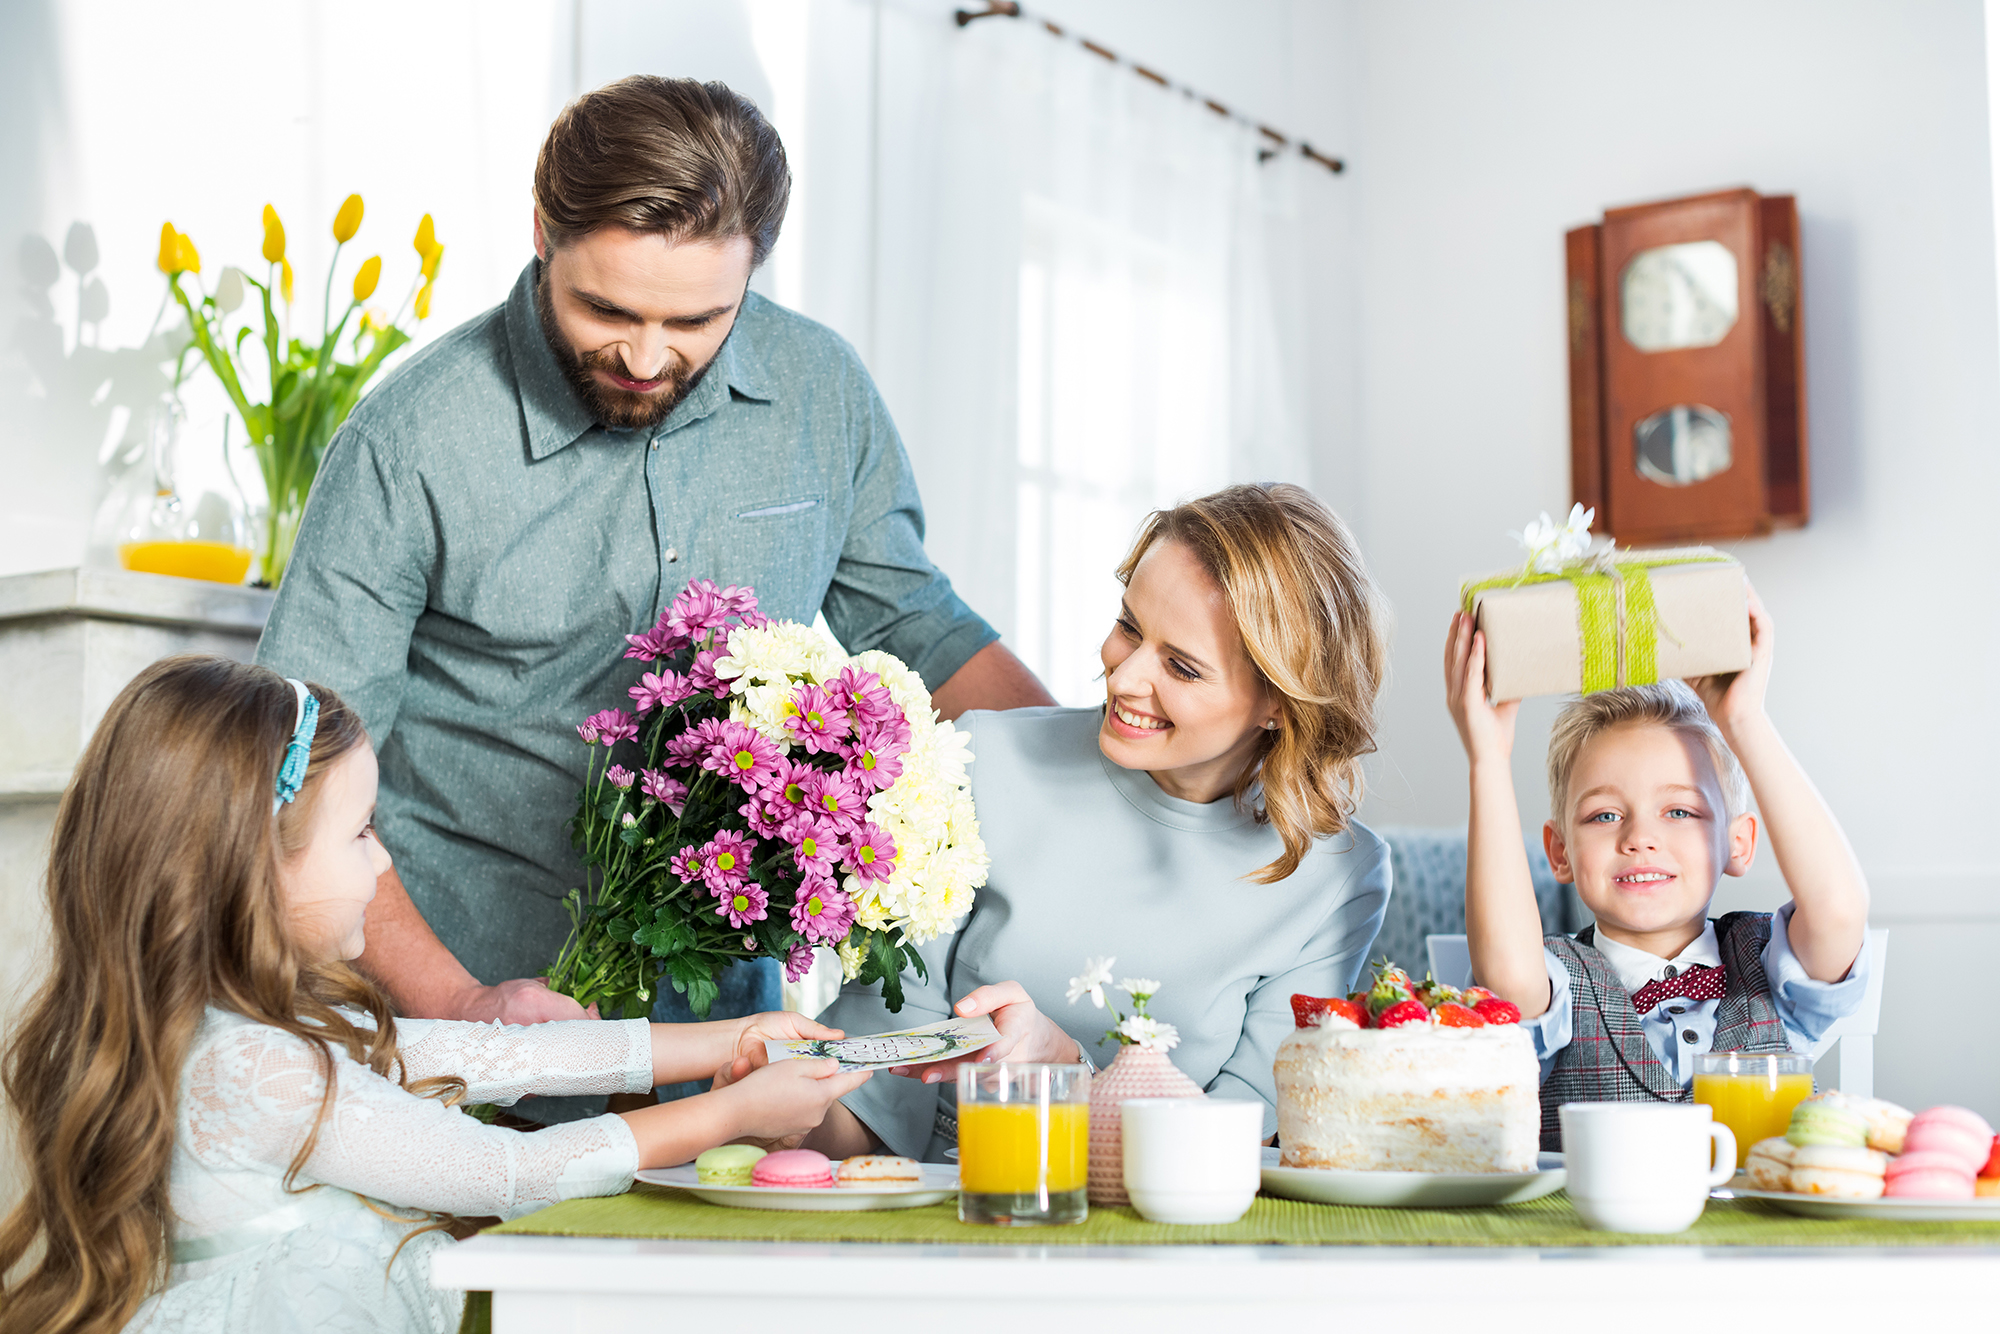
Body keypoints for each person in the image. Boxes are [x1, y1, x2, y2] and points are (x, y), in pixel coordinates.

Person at [254, 75, 1050, 1051]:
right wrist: (462, 1007)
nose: (643, 356)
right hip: (465, 1014)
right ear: (542, 231)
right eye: (606, 309)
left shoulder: (820, 388)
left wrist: (1104, 786)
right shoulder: (409, 437)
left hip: (727, 1025)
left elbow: (914, 625)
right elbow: (299, 764)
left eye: (695, 322)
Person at [0, 656, 868, 1334]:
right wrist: (733, 1111)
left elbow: (502, 1055)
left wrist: (735, 1036)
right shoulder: (250, 1063)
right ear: (254, 865)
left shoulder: (255, 1025)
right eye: (363, 833)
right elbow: (509, 1171)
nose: (382, 867)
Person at [797, 484, 1394, 1159]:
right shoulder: (981, 759)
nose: (1125, 675)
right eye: (1130, 626)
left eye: (1182, 666)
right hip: (942, 1213)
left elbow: (1235, 1146)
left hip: (1166, 1244)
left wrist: (1069, 1077)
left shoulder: (1336, 880)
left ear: (1279, 705)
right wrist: (771, 1104)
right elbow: (868, 1096)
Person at [1443, 588, 1872, 1147]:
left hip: (1756, 1239)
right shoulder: (1554, 982)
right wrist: (1488, 759)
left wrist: (1744, 719)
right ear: (1560, 853)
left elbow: (1839, 913)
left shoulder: (1770, 969)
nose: (1640, 837)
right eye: (1603, 815)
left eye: (1679, 811)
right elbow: (1506, 974)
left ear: (1738, 843)